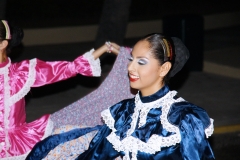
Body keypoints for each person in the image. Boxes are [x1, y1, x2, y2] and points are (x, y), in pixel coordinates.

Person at [27, 33, 215, 160]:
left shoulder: (184, 118)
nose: (130, 67)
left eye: (141, 62)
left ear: (164, 68)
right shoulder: (122, 111)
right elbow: (96, 153)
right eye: (131, 59)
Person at [0, 20, 119, 159]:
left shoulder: (22, 72)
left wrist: (104, 49)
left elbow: (68, 68)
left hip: (17, 144)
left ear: (3, 44)